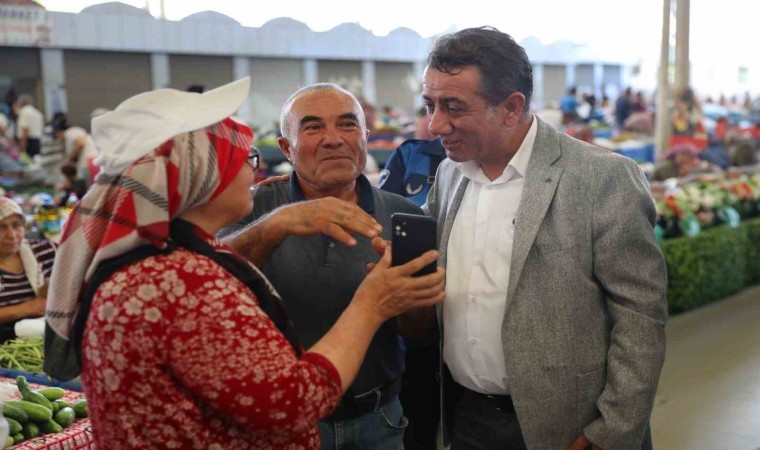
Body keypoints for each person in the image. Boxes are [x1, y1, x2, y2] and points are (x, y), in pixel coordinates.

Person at [43, 78, 445, 449]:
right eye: (244, 158)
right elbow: (292, 402)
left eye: (346, 124)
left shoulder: (168, 266)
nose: (255, 171)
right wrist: (371, 303)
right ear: (202, 177)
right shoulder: (183, 280)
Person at [420, 27, 668, 450]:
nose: (434, 124)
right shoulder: (449, 174)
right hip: (467, 420)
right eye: (430, 105)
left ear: (511, 108)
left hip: (571, 426)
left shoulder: (601, 177)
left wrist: (613, 429)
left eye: (454, 107)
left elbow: (640, 314)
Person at [219, 83, 434, 450]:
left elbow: (418, 334)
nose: (333, 139)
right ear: (286, 148)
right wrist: (277, 224)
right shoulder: (252, 207)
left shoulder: (405, 215)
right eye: (313, 127)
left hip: (378, 420)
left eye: (347, 124)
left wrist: (403, 296)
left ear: (365, 137)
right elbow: (210, 277)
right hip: (279, 423)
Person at [0, 197, 56, 343]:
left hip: (46, 339)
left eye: (16, 225)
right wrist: (25, 308)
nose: (11, 235)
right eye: (1, 227)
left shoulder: (46, 251)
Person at [51, 118, 98, 183]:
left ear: (58, 132)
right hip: (91, 161)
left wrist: (70, 159)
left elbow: (80, 143)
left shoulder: (70, 132)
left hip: (89, 161)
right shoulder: (69, 137)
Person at [13, 94, 44, 159]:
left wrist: (22, 145)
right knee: (35, 161)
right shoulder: (37, 112)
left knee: (27, 161)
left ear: (22, 102)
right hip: (37, 142)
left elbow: (25, 129)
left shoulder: (24, 112)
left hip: (28, 142)